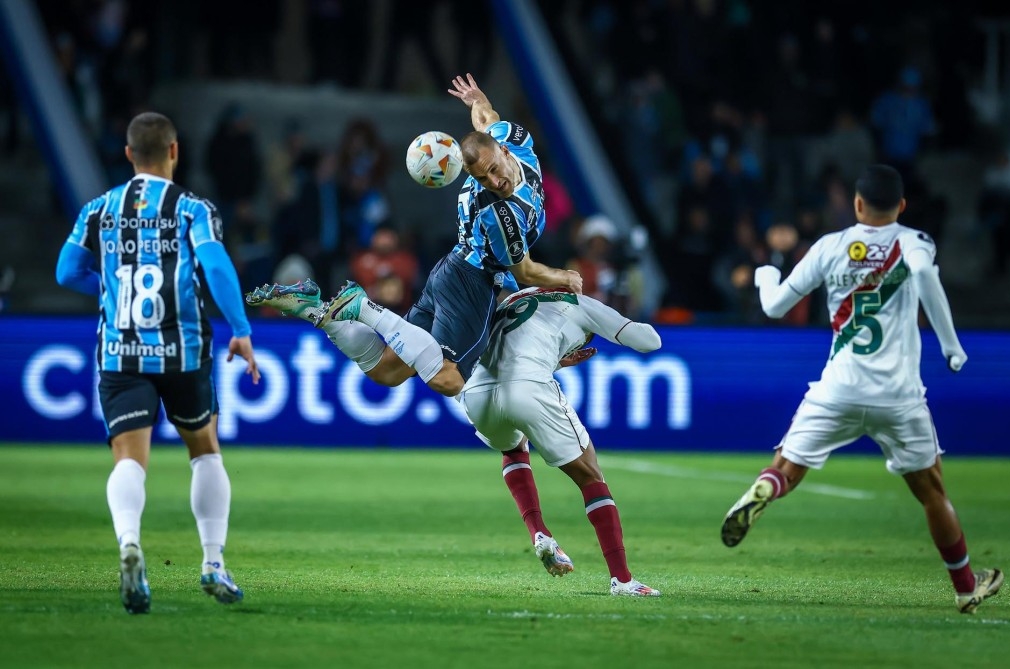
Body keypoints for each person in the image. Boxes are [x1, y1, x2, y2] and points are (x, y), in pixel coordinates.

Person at [719, 165, 1003, 614]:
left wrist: (763, 277)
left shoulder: (829, 247)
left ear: (856, 204)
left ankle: (763, 491)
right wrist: (951, 346)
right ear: (902, 206)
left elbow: (774, 307)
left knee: (787, 469)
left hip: (838, 389)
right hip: (899, 396)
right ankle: (967, 586)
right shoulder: (913, 241)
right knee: (932, 493)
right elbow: (926, 278)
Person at [246, 73, 582, 397]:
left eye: (493, 170)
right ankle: (364, 307)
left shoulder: (514, 137)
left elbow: (487, 120)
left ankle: (312, 309)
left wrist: (476, 100)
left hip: (452, 272)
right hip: (472, 280)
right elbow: (525, 272)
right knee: (449, 380)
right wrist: (564, 276)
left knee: (388, 370)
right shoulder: (500, 213)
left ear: (504, 150)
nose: (494, 183)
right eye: (482, 179)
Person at [55, 111, 260, 614]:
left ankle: (130, 543)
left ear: (128, 155)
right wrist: (241, 329)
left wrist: (109, 286)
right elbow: (214, 263)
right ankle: (212, 562)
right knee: (205, 450)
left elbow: (66, 271)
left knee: (130, 458)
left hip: (121, 349)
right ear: (174, 151)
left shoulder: (99, 208)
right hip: (184, 350)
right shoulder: (192, 208)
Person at [460, 286, 662, 596]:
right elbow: (649, 341)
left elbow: (517, 343)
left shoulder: (515, 297)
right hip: (528, 387)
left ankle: (539, 533)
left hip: (475, 391)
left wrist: (555, 359)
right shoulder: (584, 303)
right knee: (590, 474)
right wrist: (613, 322)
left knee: (513, 447)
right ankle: (622, 581)